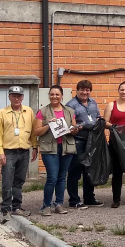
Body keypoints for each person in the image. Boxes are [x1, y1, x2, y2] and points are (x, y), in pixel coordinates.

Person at [0, 86, 38, 223]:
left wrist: (35, 146)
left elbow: (33, 130)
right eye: (14, 95)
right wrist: (0, 152)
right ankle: (5, 208)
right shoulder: (2, 113)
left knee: (19, 181)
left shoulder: (29, 111)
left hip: (24, 151)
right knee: (7, 181)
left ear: (23, 97)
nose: (17, 98)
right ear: (9, 97)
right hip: (9, 151)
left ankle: (16, 206)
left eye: (19, 96)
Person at [33, 85, 76, 216]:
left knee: (62, 177)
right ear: (49, 96)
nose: (54, 97)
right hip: (49, 148)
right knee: (52, 177)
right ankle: (46, 205)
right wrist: (48, 125)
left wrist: (75, 129)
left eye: (57, 94)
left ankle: (59, 204)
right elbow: (36, 131)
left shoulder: (69, 111)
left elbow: (74, 128)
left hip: (65, 147)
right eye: (52, 94)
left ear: (62, 96)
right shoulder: (43, 111)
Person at [66, 80, 103, 208]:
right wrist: (85, 126)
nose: (85, 92)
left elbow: (97, 117)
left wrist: (100, 122)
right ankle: (74, 200)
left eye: (87, 90)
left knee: (89, 170)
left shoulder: (93, 102)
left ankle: (89, 198)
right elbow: (71, 124)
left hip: (92, 141)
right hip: (78, 141)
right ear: (77, 90)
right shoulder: (71, 105)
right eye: (82, 89)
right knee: (75, 171)